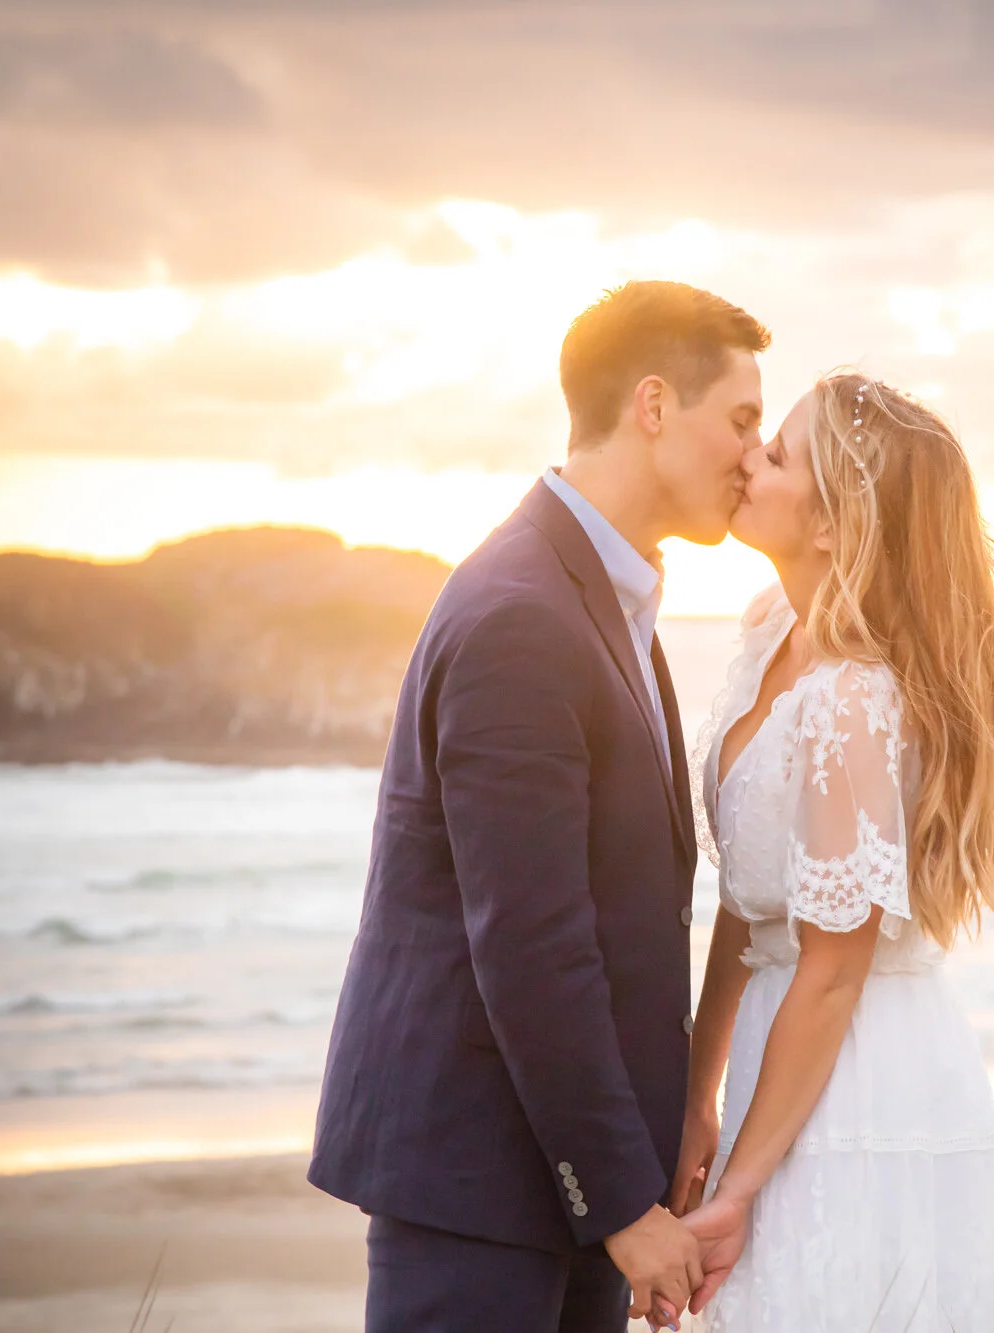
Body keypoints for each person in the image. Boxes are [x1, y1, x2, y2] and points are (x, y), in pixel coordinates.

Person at [308, 280, 768, 1332]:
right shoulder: (521, 613)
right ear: (653, 406)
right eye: (739, 420)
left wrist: (668, 1128)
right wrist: (616, 1200)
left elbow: (619, 919)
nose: (750, 454)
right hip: (480, 1192)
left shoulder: (601, 596)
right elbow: (528, 941)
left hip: (553, 1181)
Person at [675, 373, 994, 1330]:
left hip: (856, 1079)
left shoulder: (852, 696)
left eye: (780, 452)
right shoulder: (770, 635)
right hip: (777, 1044)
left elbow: (835, 969)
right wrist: (696, 1095)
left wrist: (736, 1192)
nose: (750, 458)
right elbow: (748, 906)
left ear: (839, 525)